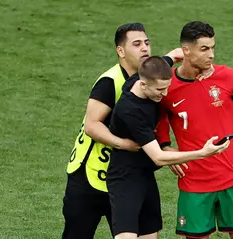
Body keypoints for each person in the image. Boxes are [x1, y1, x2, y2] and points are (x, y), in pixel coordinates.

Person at [62, 23, 184, 239]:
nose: (145, 48)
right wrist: (123, 144)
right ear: (120, 51)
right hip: (91, 175)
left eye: (147, 43)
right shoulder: (110, 83)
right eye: (136, 44)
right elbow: (92, 126)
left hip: (131, 174)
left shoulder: (150, 76)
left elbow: (169, 58)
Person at [155, 21, 233, 239]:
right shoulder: (167, 85)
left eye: (212, 48)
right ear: (185, 50)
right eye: (204, 49)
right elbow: (159, 117)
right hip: (194, 182)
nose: (211, 55)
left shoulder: (226, 76)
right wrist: (165, 146)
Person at [107, 56, 230, 239]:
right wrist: (202, 153)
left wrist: (205, 67)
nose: (164, 94)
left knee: (150, 235)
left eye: (167, 87)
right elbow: (158, 157)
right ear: (142, 85)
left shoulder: (151, 73)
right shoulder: (130, 111)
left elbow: (179, 53)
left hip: (146, 176)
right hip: (125, 178)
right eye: (159, 89)